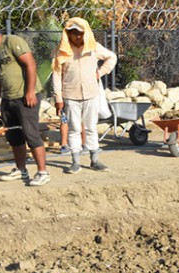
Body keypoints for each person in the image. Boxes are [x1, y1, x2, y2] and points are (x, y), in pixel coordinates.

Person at [0, 20, 50, 186]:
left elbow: (30, 65)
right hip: (8, 99)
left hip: (25, 97)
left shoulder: (12, 41)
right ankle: (21, 170)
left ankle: (43, 172)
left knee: (31, 134)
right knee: (14, 135)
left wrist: (29, 91)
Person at [51, 17, 117, 174]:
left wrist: (99, 73)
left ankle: (95, 160)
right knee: (74, 128)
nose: (77, 37)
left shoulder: (93, 48)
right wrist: (58, 98)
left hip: (91, 94)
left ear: (85, 33)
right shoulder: (61, 51)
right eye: (74, 33)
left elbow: (111, 57)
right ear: (68, 34)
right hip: (70, 95)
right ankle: (75, 162)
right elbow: (56, 74)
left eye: (80, 33)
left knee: (91, 128)